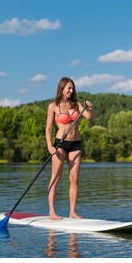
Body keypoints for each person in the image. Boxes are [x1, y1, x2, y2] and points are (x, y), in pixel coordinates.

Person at [45, 77, 94, 220]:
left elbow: (89, 118)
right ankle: (52, 212)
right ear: (61, 88)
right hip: (60, 144)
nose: (71, 90)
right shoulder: (53, 106)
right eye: (68, 88)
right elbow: (48, 128)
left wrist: (89, 108)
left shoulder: (77, 104)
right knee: (56, 177)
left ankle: (72, 212)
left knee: (74, 178)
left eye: (72, 88)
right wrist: (49, 145)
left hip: (75, 144)